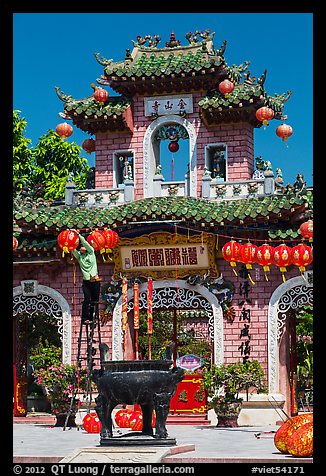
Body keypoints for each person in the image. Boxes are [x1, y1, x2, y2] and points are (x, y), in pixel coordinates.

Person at [71, 230, 101, 325]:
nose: (82, 247)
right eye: (81, 247)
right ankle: (84, 318)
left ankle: (93, 318)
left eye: (83, 246)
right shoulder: (80, 257)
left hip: (95, 281)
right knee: (87, 299)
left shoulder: (91, 253)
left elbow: (85, 243)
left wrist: (78, 235)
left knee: (94, 301)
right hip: (86, 282)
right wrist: (70, 239)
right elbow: (72, 249)